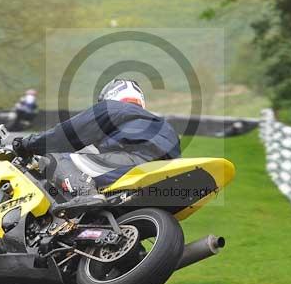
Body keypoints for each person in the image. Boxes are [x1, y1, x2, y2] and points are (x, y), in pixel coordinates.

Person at [11, 79, 180, 197]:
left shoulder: (111, 108)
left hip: (135, 162)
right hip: (166, 174)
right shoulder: (160, 122)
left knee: (58, 160)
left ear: (111, 95)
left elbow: (67, 134)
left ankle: (86, 196)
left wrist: (29, 144)